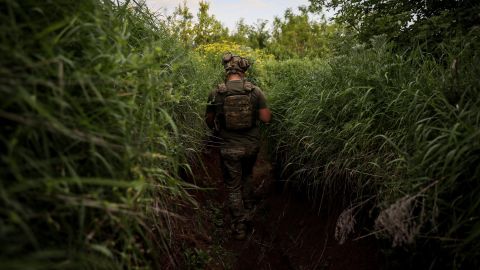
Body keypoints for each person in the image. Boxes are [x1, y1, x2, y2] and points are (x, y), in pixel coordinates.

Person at [205, 52, 271, 240]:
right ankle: (249, 208)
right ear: (243, 71)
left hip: (229, 148)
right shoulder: (255, 91)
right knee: (247, 175)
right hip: (251, 146)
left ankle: (239, 225)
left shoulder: (216, 93)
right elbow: (266, 118)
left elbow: (209, 121)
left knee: (233, 186)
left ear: (226, 71)